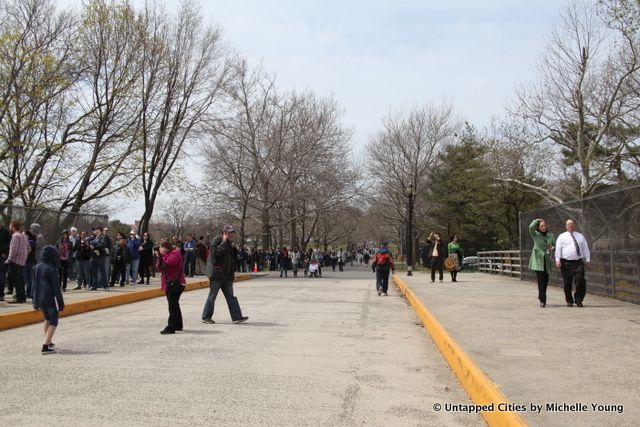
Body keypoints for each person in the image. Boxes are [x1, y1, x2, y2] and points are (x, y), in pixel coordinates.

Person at [201, 225, 248, 324]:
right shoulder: (217, 241)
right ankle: (206, 316)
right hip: (217, 274)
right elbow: (216, 254)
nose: (231, 234)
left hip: (227, 274)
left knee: (231, 296)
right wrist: (224, 242)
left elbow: (232, 259)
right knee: (212, 296)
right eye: (229, 232)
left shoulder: (230, 244)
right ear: (224, 233)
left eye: (232, 233)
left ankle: (237, 317)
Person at [32, 245, 65, 354]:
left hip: (39, 298)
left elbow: (33, 285)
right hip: (50, 298)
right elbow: (56, 288)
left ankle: (49, 342)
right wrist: (60, 303)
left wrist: (34, 301)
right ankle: (45, 346)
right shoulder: (52, 268)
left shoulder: (36, 267)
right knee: (53, 321)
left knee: (47, 319)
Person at [555, 219, 591, 307]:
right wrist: (557, 260)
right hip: (566, 263)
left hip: (578, 262)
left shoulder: (580, 236)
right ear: (566, 226)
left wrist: (588, 259)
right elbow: (558, 249)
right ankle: (569, 300)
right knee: (567, 283)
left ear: (574, 225)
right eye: (568, 224)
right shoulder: (561, 237)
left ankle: (578, 300)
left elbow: (585, 248)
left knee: (580, 280)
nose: (570, 225)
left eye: (572, 224)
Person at [156, 241, 186, 334]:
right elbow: (159, 268)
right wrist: (160, 257)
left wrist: (162, 255)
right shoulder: (165, 255)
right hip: (168, 283)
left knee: (172, 305)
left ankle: (171, 327)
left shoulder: (175, 253)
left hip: (176, 283)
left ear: (166, 248)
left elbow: (170, 263)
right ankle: (178, 325)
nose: (160, 249)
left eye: (161, 247)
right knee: (174, 304)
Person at [528, 219, 555, 307]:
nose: (543, 227)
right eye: (541, 226)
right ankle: (543, 300)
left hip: (546, 261)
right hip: (538, 261)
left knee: (545, 281)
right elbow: (530, 227)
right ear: (538, 228)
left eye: (544, 226)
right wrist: (537, 220)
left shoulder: (550, 235)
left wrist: (553, 248)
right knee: (541, 281)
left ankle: (541, 297)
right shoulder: (535, 234)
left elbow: (555, 245)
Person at [6, 221, 31, 303]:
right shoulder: (23, 236)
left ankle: (19, 298)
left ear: (13, 226)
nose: (9, 227)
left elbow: (14, 250)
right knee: (20, 280)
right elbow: (29, 248)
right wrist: (24, 255)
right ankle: (22, 297)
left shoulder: (15, 236)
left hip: (15, 261)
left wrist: (9, 259)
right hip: (22, 261)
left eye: (10, 225)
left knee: (17, 280)